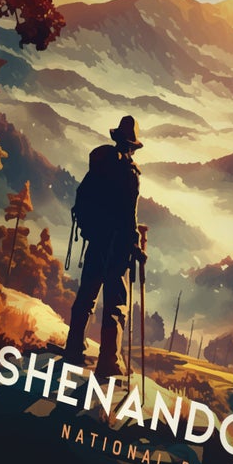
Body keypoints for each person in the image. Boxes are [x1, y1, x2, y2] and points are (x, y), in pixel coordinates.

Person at [63, 116, 144, 374]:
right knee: (115, 303)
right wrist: (136, 247)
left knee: (86, 295)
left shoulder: (100, 165)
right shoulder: (130, 174)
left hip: (96, 241)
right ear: (132, 146)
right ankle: (108, 362)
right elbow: (129, 216)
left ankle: (73, 350)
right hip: (117, 248)